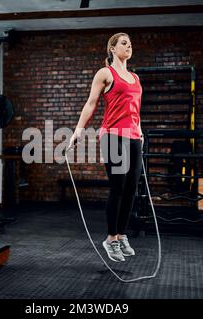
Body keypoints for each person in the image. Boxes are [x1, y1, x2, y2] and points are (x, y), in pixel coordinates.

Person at [68, 33, 143, 262]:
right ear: (112, 48)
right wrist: (78, 130)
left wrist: (140, 131)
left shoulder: (135, 77)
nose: (128, 46)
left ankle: (121, 236)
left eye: (130, 43)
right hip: (112, 136)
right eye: (123, 43)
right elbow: (91, 103)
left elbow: (134, 109)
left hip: (134, 137)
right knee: (118, 188)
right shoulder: (105, 73)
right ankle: (110, 239)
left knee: (132, 189)